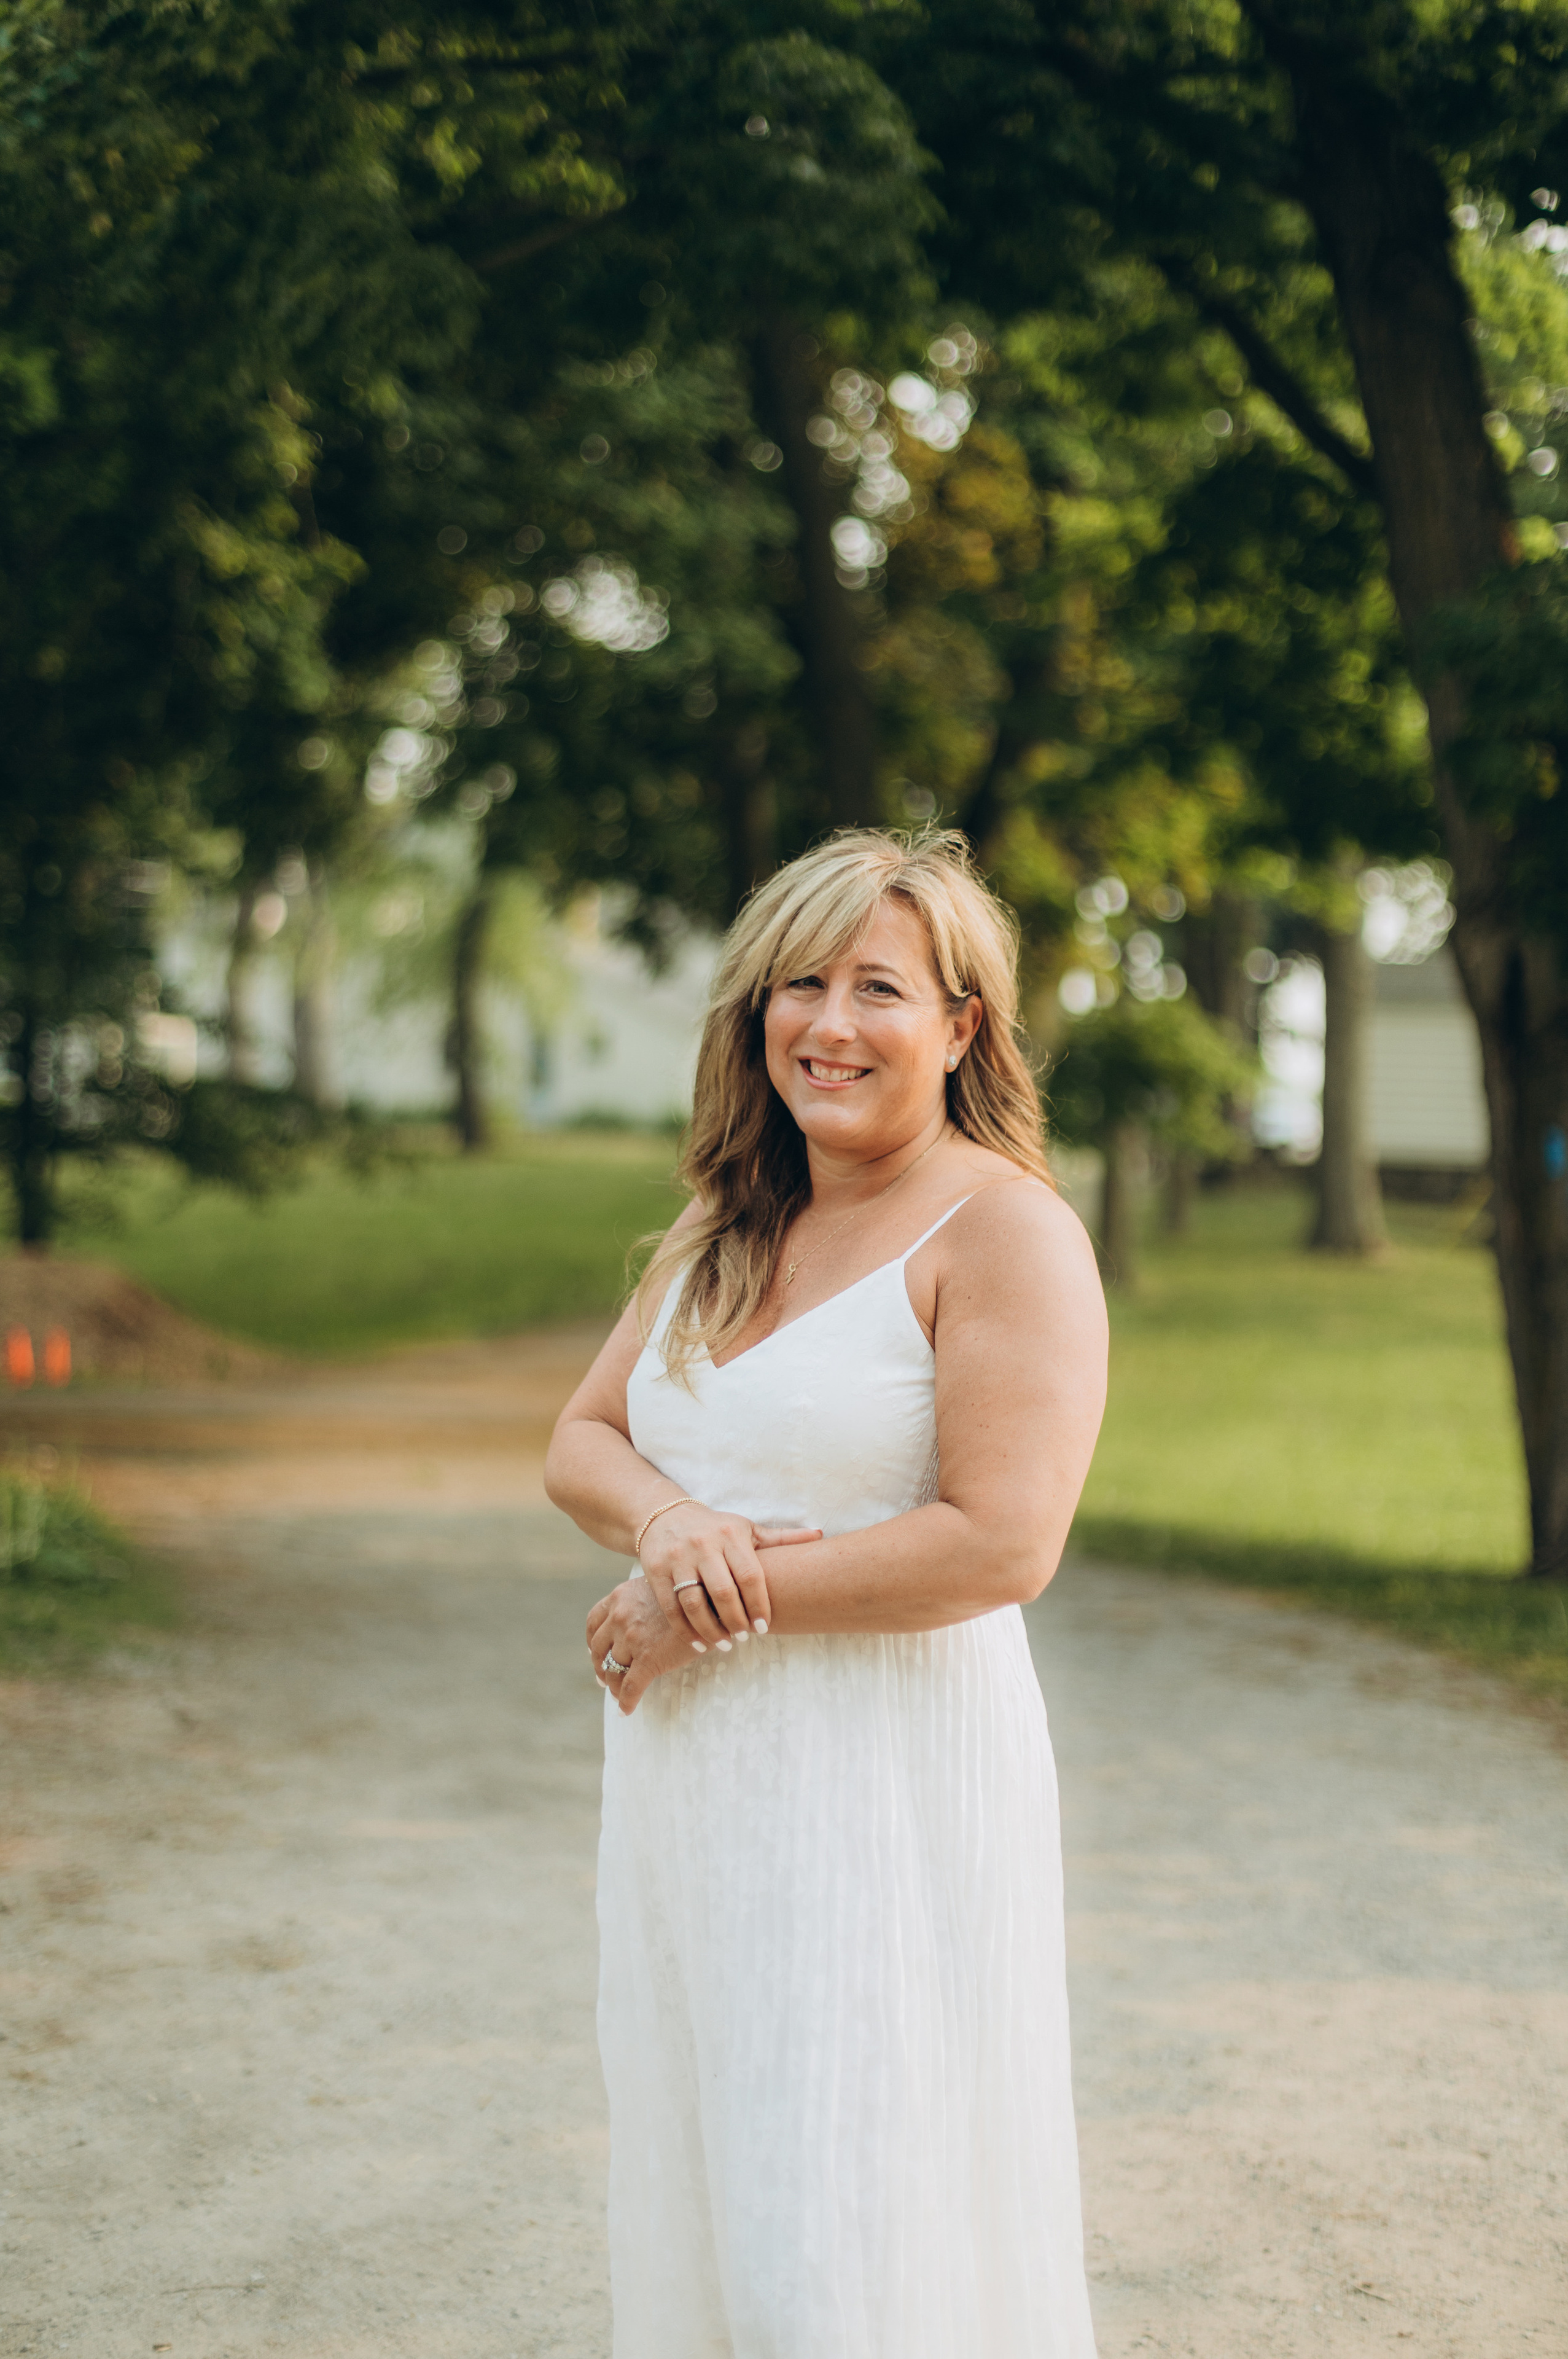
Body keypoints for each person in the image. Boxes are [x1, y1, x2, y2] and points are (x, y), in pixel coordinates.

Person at [545, 827, 1108, 2359]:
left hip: (879, 1792)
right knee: (712, 2191)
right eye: (799, 983)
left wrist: (706, 1604)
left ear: (959, 1027)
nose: (829, 1023)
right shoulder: (721, 1225)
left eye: (878, 987)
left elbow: (1002, 1542)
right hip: (694, 1791)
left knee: (840, 2230)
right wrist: (674, 1531)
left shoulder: (1000, 1233)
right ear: (754, 1014)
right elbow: (581, 1441)